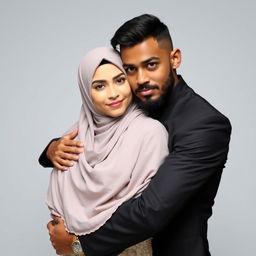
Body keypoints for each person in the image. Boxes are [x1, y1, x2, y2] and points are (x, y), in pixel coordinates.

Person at [41, 14, 231, 256]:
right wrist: (52, 149)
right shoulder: (131, 104)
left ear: (175, 59)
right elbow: (96, 140)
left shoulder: (204, 124)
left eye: (151, 65)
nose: (141, 79)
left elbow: (151, 209)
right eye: (130, 69)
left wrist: (79, 246)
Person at [45, 46, 168, 256]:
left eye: (120, 80)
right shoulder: (73, 137)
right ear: (86, 91)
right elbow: (59, 217)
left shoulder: (150, 133)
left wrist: (76, 246)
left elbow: (146, 213)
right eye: (99, 86)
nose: (113, 94)